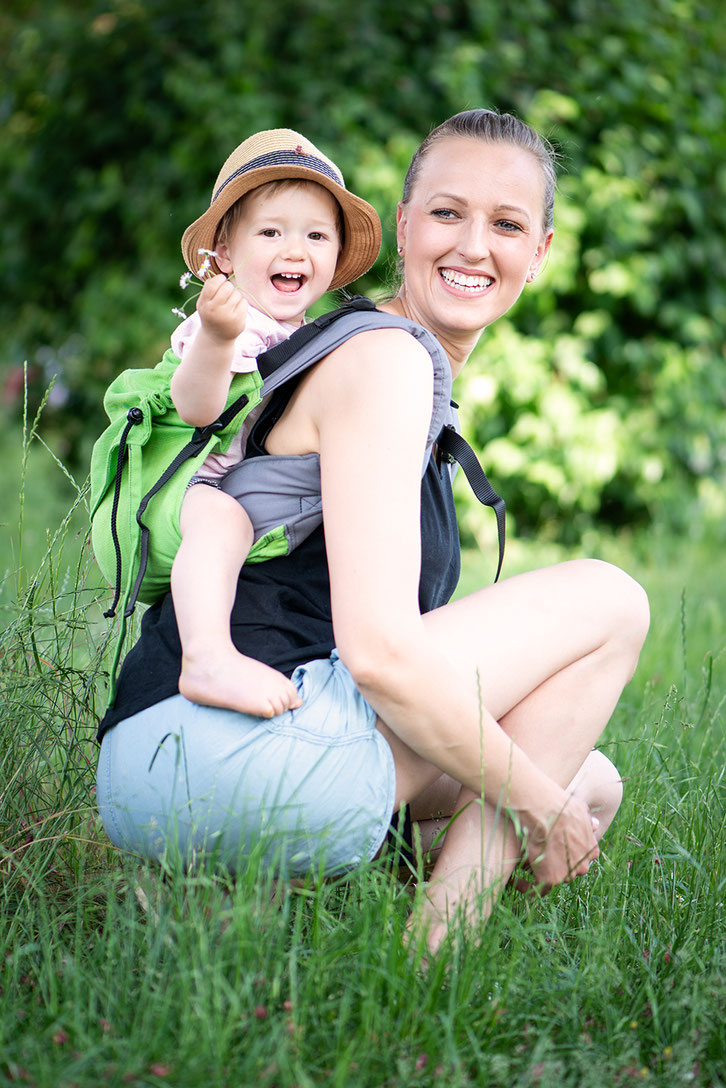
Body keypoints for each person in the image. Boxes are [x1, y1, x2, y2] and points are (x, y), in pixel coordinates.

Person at [95, 109, 649, 952]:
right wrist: (542, 811)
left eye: (506, 225)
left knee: (589, 779)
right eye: (447, 213)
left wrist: (553, 795)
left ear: (539, 251)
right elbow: (383, 657)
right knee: (610, 603)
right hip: (228, 742)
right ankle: (436, 955)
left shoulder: (347, 352)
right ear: (404, 225)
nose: (473, 246)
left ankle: (252, 909)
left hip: (153, 760)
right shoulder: (385, 359)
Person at [168, 128, 381, 718]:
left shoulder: (303, 333)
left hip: (241, 482)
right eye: (270, 232)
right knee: (223, 522)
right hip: (190, 479)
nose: (295, 250)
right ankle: (205, 657)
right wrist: (217, 339)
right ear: (225, 254)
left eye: (316, 235)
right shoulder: (230, 320)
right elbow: (195, 408)